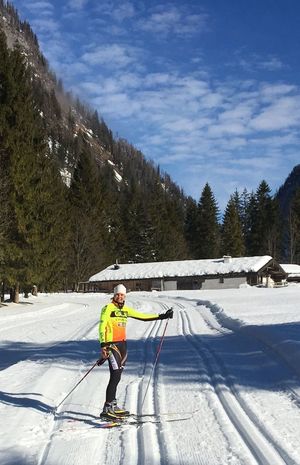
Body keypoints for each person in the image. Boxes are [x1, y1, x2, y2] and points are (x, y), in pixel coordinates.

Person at [98, 283, 173, 420]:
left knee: (118, 375)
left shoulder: (126, 310)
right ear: (114, 295)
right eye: (118, 294)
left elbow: (143, 317)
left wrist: (162, 316)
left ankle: (113, 405)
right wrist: (103, 345)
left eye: (122, 295)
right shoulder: (107, 308)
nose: (120, 297)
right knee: (114, 375)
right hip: (111, 345)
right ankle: (107, 408)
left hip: (123, 345)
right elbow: (102, 325)